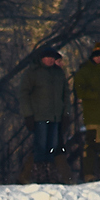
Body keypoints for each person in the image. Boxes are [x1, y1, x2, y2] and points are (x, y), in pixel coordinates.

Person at [19, 47, 68, 182]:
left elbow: (65, 95)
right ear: (41, 59)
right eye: (48, 58)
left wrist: (65, 114)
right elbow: (24, 94)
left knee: (52, 146)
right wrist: (28, 114)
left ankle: (49, 175)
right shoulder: (33, 73)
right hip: (39, 116)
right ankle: (39, 176)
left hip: (55, 116)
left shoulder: (59, 74)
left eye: (53, 58)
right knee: (40, 146)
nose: (50, 60)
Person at [71, 43, 100, 181]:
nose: (99, 59)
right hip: (93, 117)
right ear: (92, 57)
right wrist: (96, 95)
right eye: (97, 56)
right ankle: (89, 175)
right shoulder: (84, 72)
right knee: (91, 146)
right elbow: (79, 91)